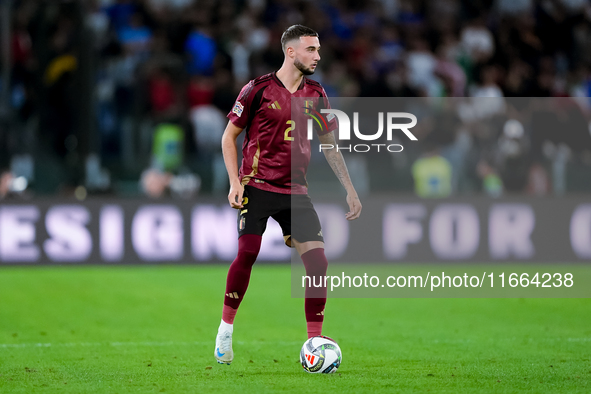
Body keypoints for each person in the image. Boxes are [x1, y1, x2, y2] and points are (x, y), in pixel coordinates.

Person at [214, 25, 362, 365]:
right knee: (248, 252)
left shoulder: (317, 94)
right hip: (256, 184)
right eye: (311, 49)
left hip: (295, 191)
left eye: (318, 49)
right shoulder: (258, 89)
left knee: (318, 263)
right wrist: (236, 184)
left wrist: (350, 189)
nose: (318, 56)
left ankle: (314, 341)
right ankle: (225, 329)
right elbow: (228, 138)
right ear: (291, 52)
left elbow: (329, 146)